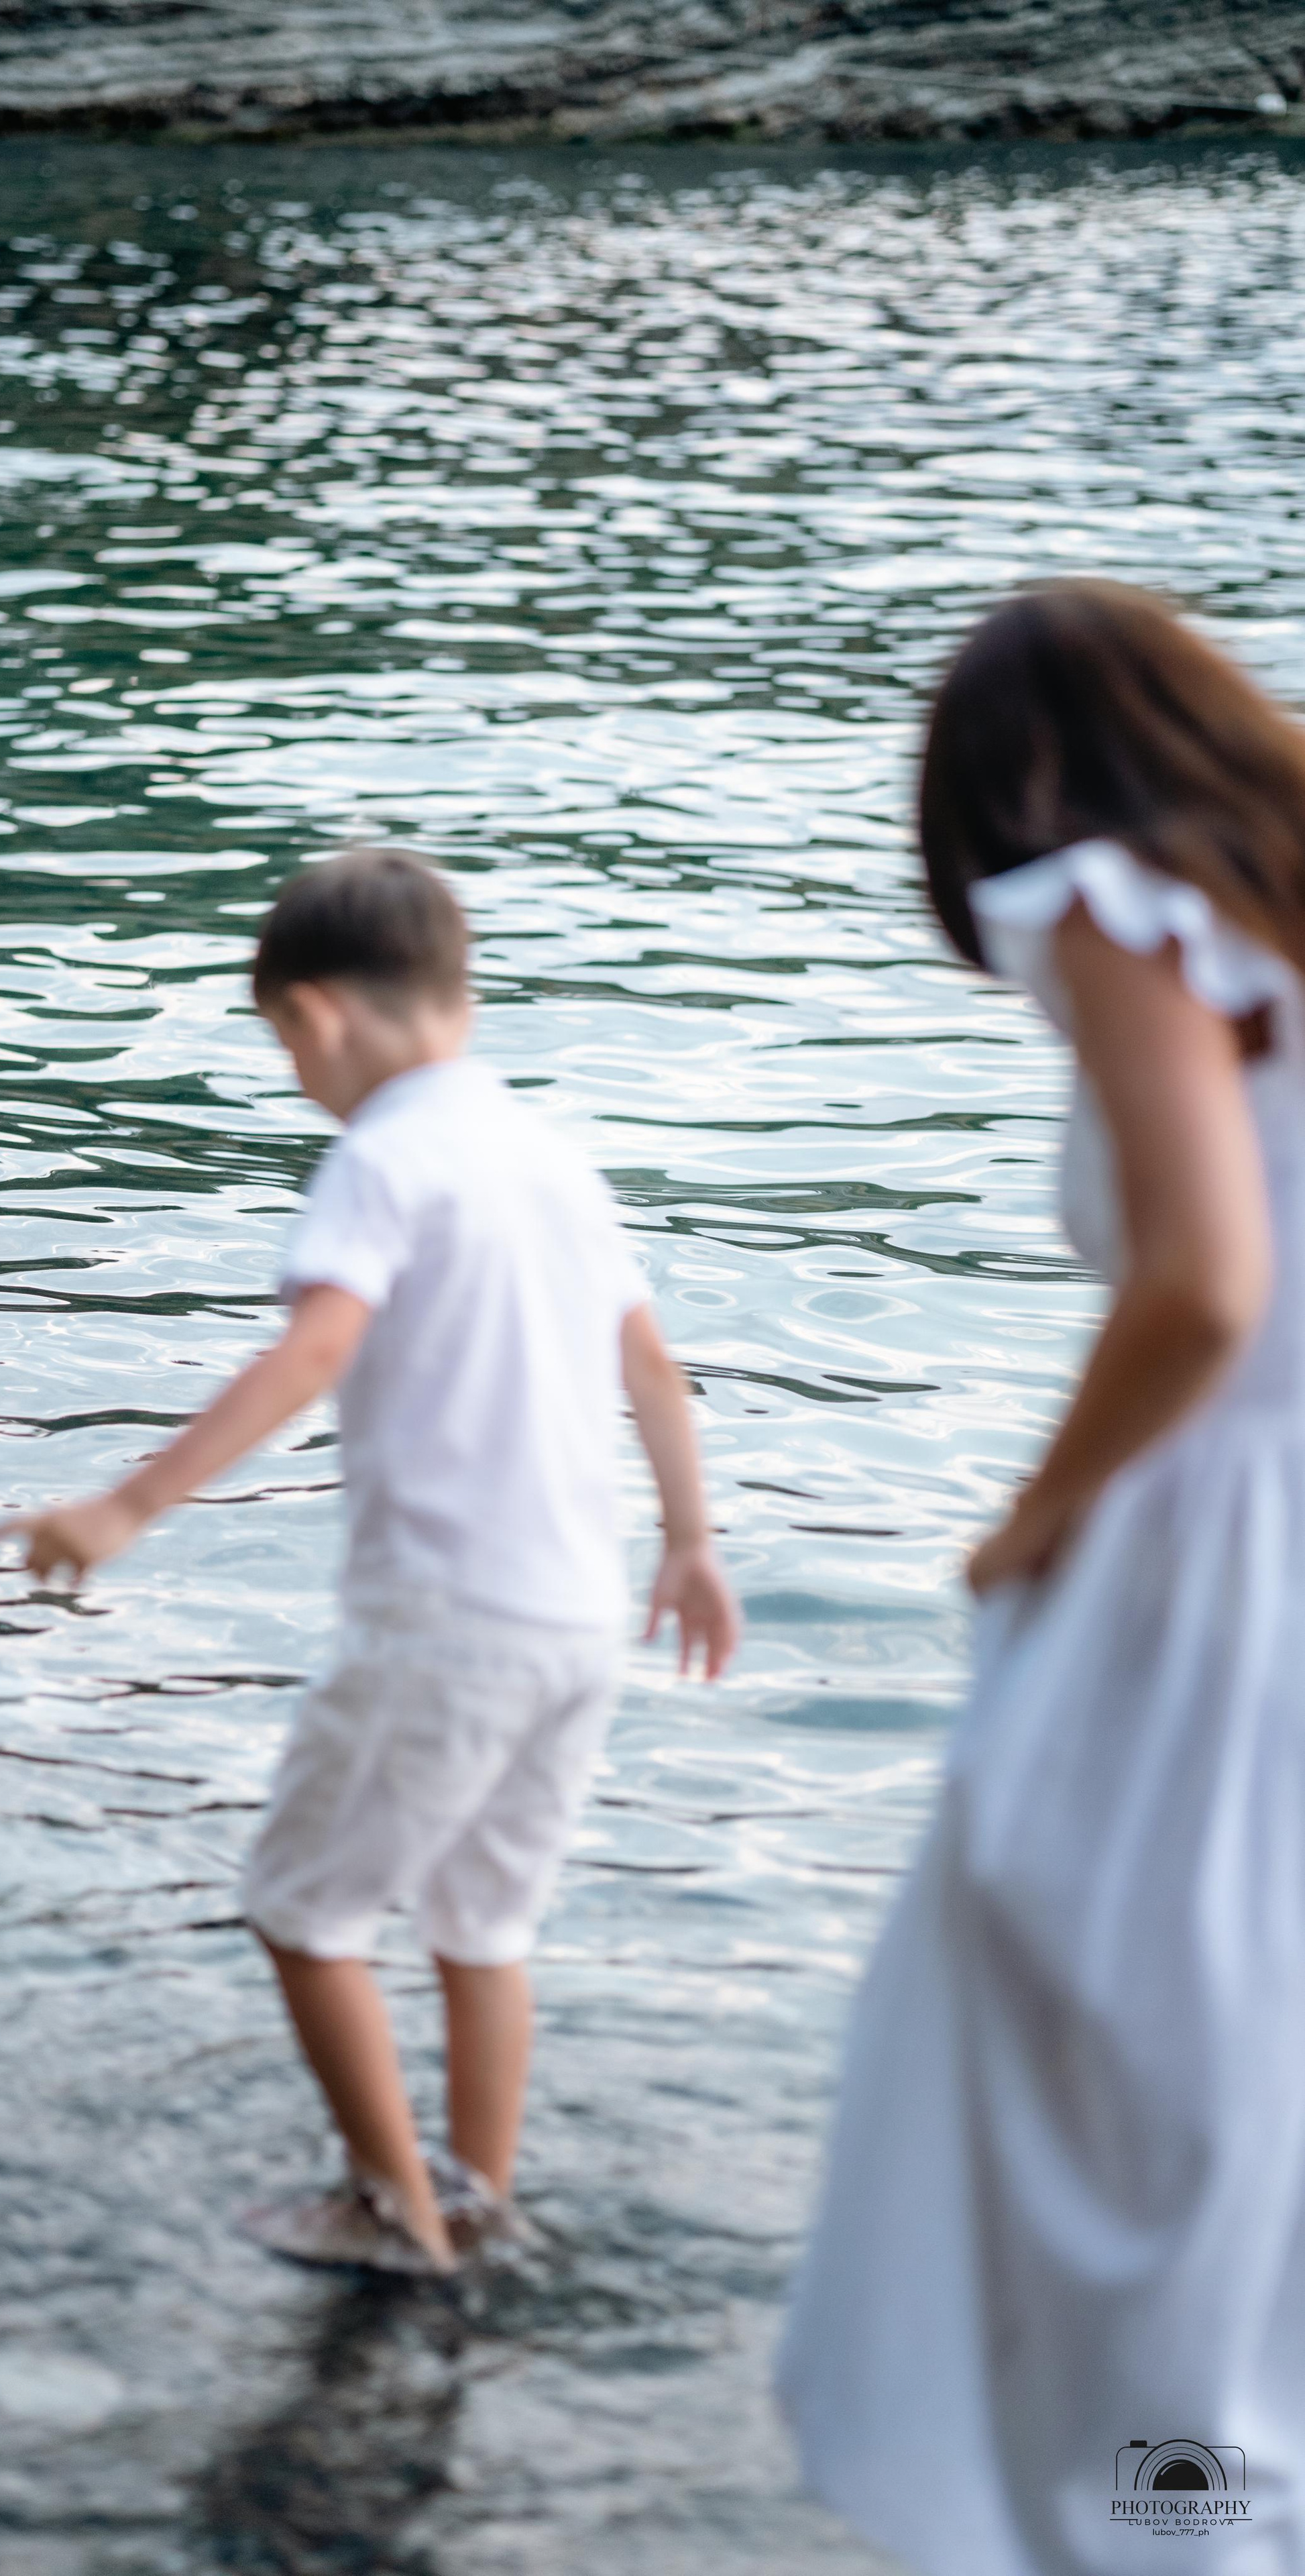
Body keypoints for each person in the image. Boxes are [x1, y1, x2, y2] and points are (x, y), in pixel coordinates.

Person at [0, 847, 738, 2276]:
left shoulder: (381, 1159)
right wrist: (692, 1544)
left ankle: (393, 2215)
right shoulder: (550, 1159)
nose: (293, 1075)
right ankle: (479, 2198)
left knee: (300, 1908)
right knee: (483, 1920)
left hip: (448, 1623)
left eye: (282, 1043)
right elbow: (648, 1367)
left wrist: (125, 1507)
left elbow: (317, 1349)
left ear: (316, 1015)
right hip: (578, 1621)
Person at [778, 581, 1305, 2571]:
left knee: (1128, 2100)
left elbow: (1204, 1285)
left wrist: (1033, 1515)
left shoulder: (1118, 902)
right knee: (1253, 2110)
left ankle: (1167, 2527)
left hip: (1221, 1566)